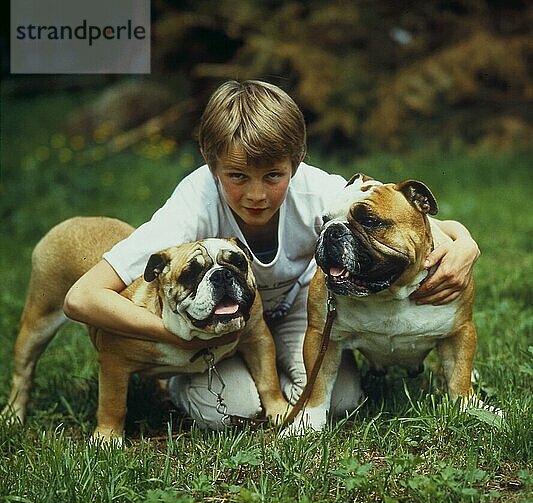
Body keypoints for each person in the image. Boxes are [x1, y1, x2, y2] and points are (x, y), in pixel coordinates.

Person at [64, 80, 480, 430]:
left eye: (273, 176)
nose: (257, 194)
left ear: (296, 164)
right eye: (237, 176)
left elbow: (403, 222)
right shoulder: (192, 205)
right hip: (215, 329)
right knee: (232, 413)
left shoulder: (319, 191)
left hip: (297, 312)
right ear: (211, 165)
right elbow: (82, 298)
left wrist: (465, 244)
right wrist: (177, 336)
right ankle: (184, 381)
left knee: (341, 404)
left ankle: (279, 368)